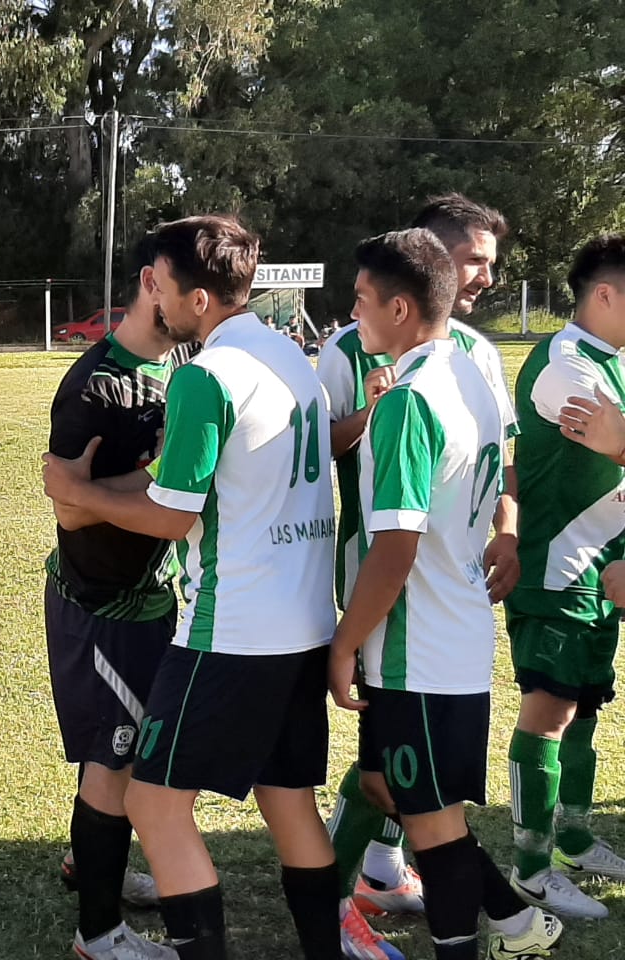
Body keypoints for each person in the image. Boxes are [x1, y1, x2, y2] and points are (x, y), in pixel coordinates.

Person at [44, 214, 341, 960]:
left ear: (197, 298)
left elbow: (173, 515)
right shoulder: (292, 356)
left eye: (166, 288)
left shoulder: (207, 375)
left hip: (232, 627)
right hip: (308, 620)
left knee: (152, 802)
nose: (158, 301)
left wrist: (80, 495)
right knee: (290, 802)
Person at [329, 228, 561, 960]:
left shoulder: (407, 402)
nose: (354, 313)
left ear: (399, 309)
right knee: (389, 790)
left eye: (362, 299)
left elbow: (396, 547)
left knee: (432, 827)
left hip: (417, 649)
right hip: (451, 629)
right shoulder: (468, 375)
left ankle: (491, 941)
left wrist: (343, 645)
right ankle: (516, 924)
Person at [44, 233, 198, 960]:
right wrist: (167, 478)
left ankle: (91, 864)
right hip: (102, 605)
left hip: (151, 597)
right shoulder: (93, 385)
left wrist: (161, 478)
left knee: (124, 749)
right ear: (150, 284)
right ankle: (98, 935)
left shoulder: (183, 365)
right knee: (116, 763)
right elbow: (69, 508)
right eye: (185, 289)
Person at [503, 233, 625, 919]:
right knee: (548, 713)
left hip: (604, 567)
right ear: (604, 294)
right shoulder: (565, 365)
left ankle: (574, 836)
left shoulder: (614, 361)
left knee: (585, 707)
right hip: (558, 568)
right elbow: (616, 441)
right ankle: (530, 867)